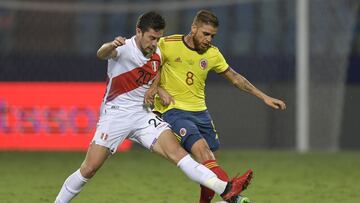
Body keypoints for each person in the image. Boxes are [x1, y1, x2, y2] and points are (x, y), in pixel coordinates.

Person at [54, 11, 252, 203]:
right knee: (89, 168)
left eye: (158, 38)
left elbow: (157, 70)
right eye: (151, 38)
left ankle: (227, 190)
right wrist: (111, 44)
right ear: (138, 31)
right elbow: (102, 53)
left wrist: (158, 90)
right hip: (116, 115)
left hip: (143, 116)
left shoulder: (157, 52)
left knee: (179, 155)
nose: (155, 44)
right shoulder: (123, 48)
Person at [145, 10, 286, 203]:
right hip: (174, 111)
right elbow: (150, 65)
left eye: (212, 35)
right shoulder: (168, 44)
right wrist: (157, 88)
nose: (209, 39)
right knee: (203, 152)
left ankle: (219, 197)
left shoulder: (212, 54)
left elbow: (235, 78)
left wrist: (263, 97)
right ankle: (233, 193)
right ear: (194, 28)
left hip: (201, 112)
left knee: (209, 162)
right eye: (205, 34)